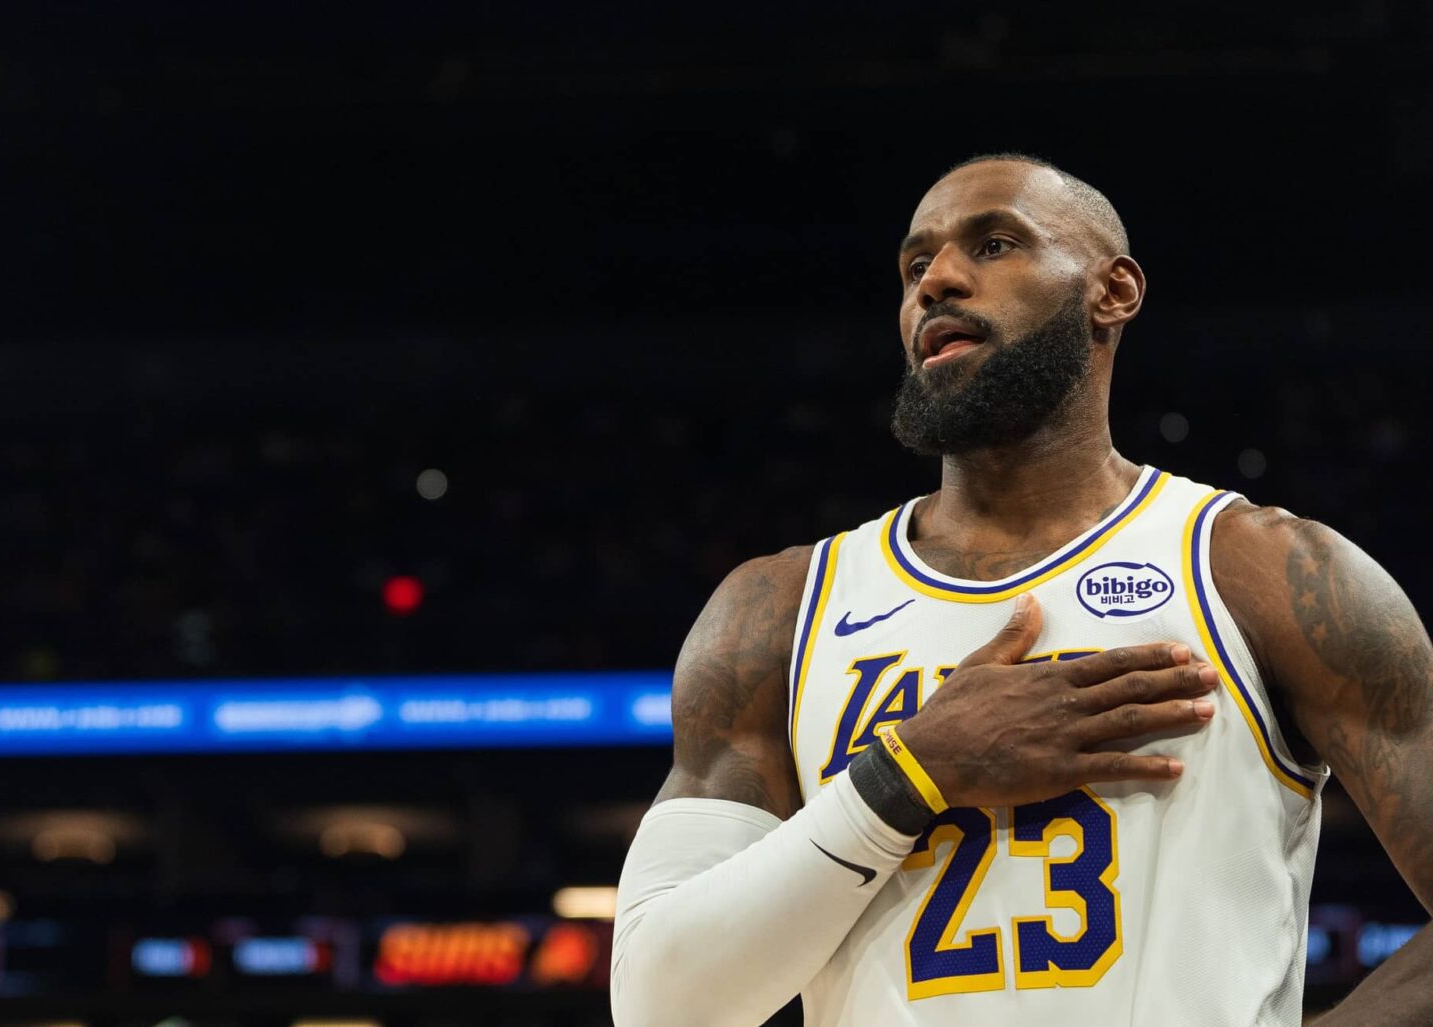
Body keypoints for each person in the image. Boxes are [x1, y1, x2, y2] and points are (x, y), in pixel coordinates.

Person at [609, 154, 1433, 1026]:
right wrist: (912, 772)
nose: (938, 283)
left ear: (1112, 291)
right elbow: (662, 1004)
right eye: (914, 266)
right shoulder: (776, 610)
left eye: (993, 244)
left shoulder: (1267, 572)